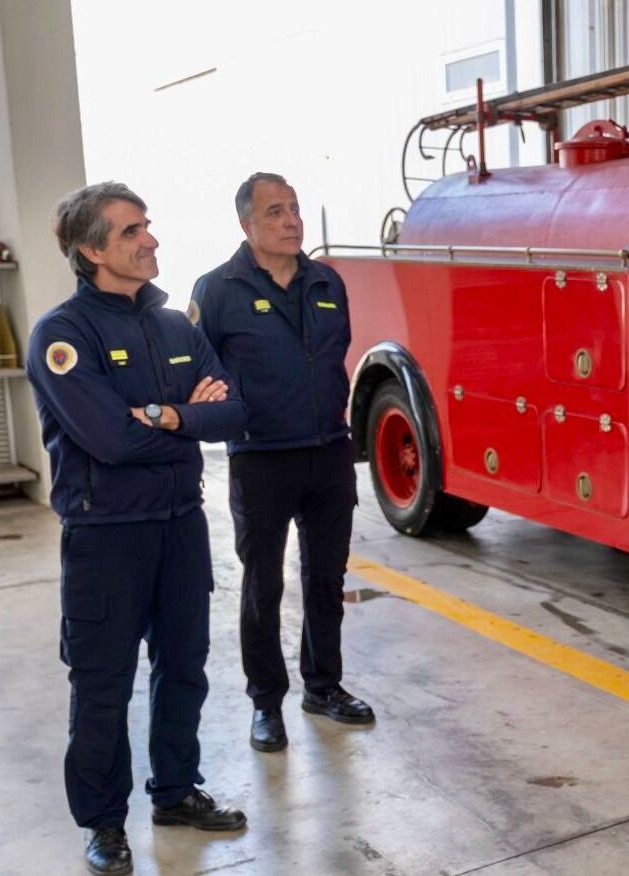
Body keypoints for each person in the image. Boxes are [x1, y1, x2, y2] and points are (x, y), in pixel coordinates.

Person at [27, 182, 249, 875]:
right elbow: (107, 441)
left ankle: (176, 793)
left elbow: (233, 413)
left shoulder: (175, 324)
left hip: (180, 527)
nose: (150, 239)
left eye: (147, 225)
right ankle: (103, 822)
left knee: (183, 670)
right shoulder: (62, 336)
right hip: (106, 538)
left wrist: (164, 415)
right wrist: (185, 416)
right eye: (130, 231)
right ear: (92, 249)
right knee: (103, 683)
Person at [190, 172, 371, 754]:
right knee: (262, 584)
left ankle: (324, 686)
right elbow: (203, 371)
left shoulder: (327, 282)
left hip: (328, 451)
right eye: (275, 212)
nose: (291, 220)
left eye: (293, 209)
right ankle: (265, 702)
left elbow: (334, 355)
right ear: (246, 224)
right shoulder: (217, 290)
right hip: (260, 458)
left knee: (327, 578)